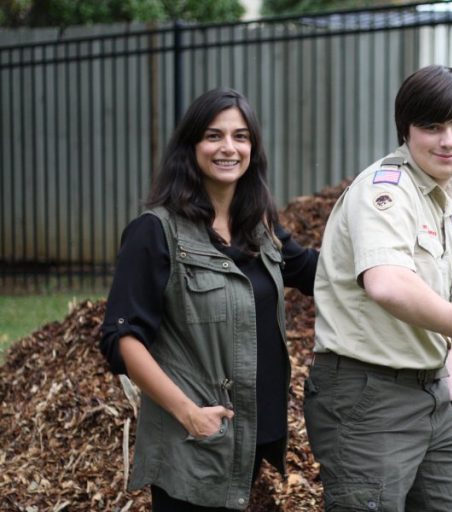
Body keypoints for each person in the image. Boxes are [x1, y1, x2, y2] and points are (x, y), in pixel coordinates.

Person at [99, 87, 318, 511]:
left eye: (240, 136)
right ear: (191, 146)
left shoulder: (259, 227)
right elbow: (122, 339)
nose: (228, 148)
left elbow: (313, 271)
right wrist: (188, 414)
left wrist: (388, 262)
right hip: (192, 439)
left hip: (250, 434)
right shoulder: (155, 231)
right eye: (213, 136)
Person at [303, 65, 452, 511]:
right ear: (406, 130)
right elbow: (387, 283)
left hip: (430, 394)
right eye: (432, 127)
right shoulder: (386, 192)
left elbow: (431, 310)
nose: (448, 141)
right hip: (367, 397)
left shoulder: (448, 197)